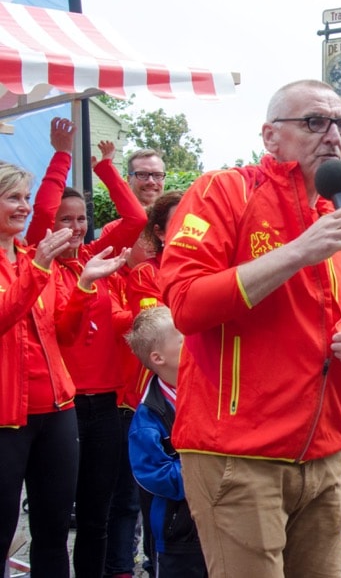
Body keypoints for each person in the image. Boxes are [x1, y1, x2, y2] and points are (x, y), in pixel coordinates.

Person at [158, 79, 341, 577]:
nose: (333, 135)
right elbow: (186, 304)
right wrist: (297, 252)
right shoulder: (225, 192)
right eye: (315, 122)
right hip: (237, 455)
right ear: (270, 136)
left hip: (324, 455)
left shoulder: (334, 214)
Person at [0, 151, 128, 578]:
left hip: (57, 409)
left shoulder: (32, 258)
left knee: (53, 533)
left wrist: (86, 284)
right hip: (7, 416)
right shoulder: (38, 261)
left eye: (26, 197)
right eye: (13, 198)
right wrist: (39, 268)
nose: (24, 206)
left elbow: (63, 332)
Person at [27, 129, 147, 578]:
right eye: (66, 219)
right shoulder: (39, 264)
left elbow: (135, 218)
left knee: (97, 518)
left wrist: (106, 168)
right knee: (55, 522)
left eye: (81, 219)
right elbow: (41, 212)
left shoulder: (92, 258)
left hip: (106, 404)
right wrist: (61, 157)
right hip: (63, 408)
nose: (75, 228)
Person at [104, 147, 170, 578]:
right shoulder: (118, 231)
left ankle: (157, 557)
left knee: (162, 484)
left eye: (157, 175)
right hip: (127, 380)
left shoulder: (178, 239)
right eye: (142, 175)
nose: (151, 182)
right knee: (126, 489)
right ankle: (121, 564)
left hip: (171, 379)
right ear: (129, 179)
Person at [126, 306, 207, 577]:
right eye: (182, 338)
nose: (192, 341)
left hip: (220, 521)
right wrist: (206, 467)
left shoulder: (210, 386)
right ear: (158, 358)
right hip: (177, 536)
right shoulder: (148, 417)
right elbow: (155, 475)